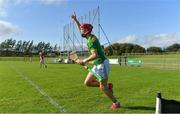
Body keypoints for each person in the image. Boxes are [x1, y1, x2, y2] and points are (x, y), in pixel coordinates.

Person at [71, 14, 120, 109]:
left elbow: (95, 55)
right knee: (88, 82)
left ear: (86, 31)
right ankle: (108, 86)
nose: (80, 31)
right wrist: (76, 20)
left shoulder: (91, 41)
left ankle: (116, 103)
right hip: (97, 64)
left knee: (102, 87)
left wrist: (84, 60)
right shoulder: (89, 37)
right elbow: (81, 27)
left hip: (102, 64)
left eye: (82, 30)